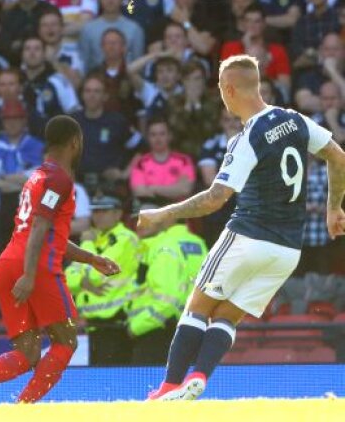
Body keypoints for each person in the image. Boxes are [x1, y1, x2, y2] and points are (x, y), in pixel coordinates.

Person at [139, 54, 345, 400]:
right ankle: (200, 377)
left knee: (197, 307)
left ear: (228, 89)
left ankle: (169, 386)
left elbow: (215, 198)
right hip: (287, 250)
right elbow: (338, 156)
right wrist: (334, 208)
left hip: (248, 236)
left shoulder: (247, 138)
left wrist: (162, 214)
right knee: (227, 316)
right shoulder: (295, 120)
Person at [0, 115, 120, 404]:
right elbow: (39, 228)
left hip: (8, 262)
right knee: (66, 341)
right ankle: (23, 408)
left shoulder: (36, 177)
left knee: (28, 353)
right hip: (36, 267)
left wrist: (90, 258)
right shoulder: (59, 179)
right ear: (75, 142)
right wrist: (30, 275)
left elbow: (49, 233)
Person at [128, 202, 207, 365]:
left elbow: (167, 299)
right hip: (191, 324)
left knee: (150, 386)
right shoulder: (197, 242)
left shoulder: (162, 244)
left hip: (156, 329)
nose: (140, 224)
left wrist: (136, 326)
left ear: (167, 217)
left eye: (147, 218)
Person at [64, 194, 140, 365]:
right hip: (94, 321)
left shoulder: (126, 239)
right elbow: (68, 278)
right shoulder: (95, 238)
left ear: (118, 214)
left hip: (117, 319)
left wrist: (86, 246)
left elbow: (97, 273)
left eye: (104, 211)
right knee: (99, 377)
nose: (98, 216)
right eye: (96, 212)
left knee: (117, 378)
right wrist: (81, 282)